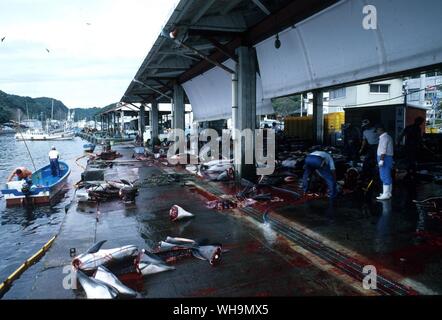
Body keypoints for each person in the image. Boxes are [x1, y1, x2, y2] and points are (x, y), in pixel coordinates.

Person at [376, 124, 394, 200]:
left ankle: (386, 194)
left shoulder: (384, 138)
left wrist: (381, 160)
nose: (376, 132)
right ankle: (388, 193)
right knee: (387, 176)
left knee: (384, 176)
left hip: (384, 158)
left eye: (377, 130)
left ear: (381, 129)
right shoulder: (388, 137)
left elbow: (383, 150)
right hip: (388, 158)